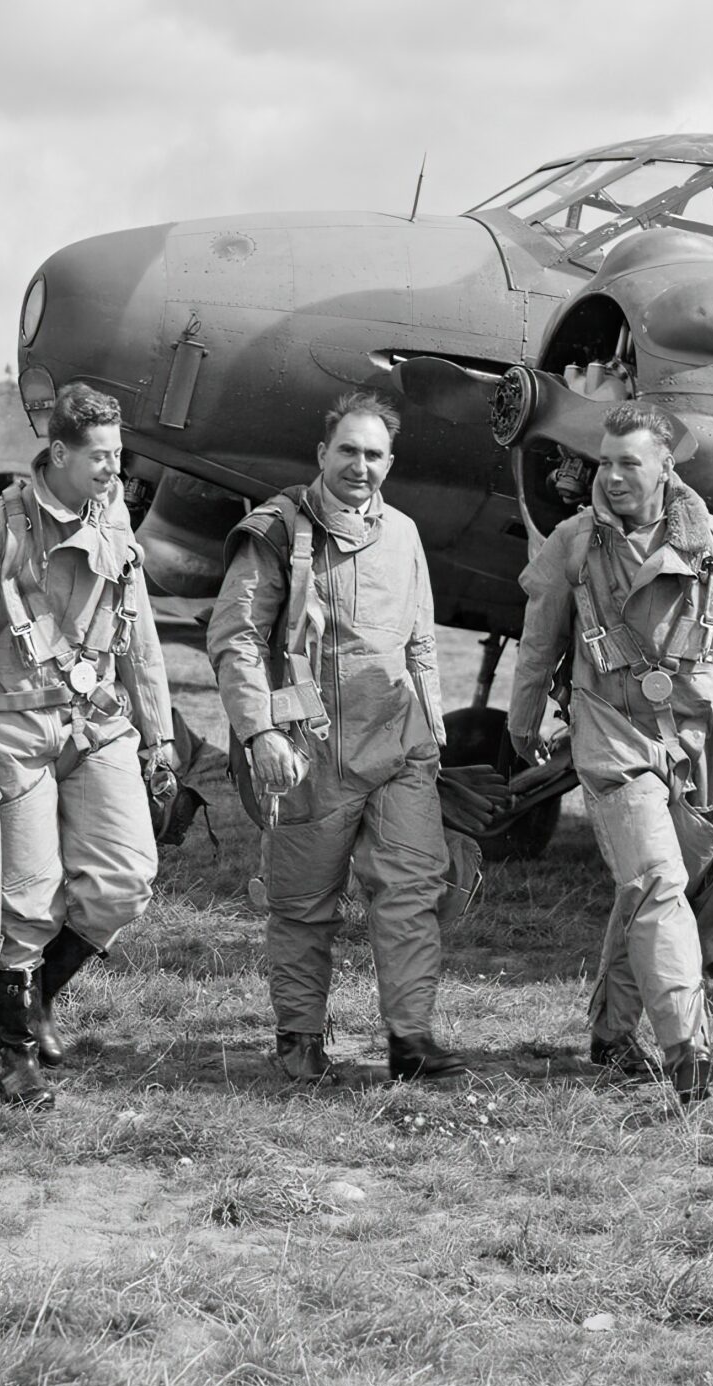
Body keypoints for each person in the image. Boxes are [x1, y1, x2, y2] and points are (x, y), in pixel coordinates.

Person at [0, 382, 176, 1109]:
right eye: (98, 456)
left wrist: (161, 739)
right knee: (28, 901)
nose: (111, 470)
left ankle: (37, 999)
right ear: (58, 452)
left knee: (125, 879)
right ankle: (17, 1052)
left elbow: (140, 640)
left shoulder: (115, 527)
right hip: (14, 733)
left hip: (96, 725)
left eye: (118, 457)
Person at [508, 402, 713, 1104]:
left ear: (665, 468)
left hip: (699, 739)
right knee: (656, 882)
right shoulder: (573, 541)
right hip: (611, 730)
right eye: (605, 462)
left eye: (629, 463)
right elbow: (539, 639)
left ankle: (614, 1032)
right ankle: (689, 1051)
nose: (612, 477)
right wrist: (524, 719)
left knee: (648, 883)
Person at [210, 391, 463, 1085]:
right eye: (347, 450)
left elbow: (421, 643)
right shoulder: (276, 532)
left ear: (390, 462)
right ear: (322, 455)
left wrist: (433, 736)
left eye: (374, 453)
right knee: (301, 906)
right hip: (308, 755)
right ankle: (299, 1038)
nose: (360, 465)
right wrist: (259, 731)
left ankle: (409, 1039)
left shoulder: (405, 534)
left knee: (412, 890)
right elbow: (234, 640)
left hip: (399, 747)